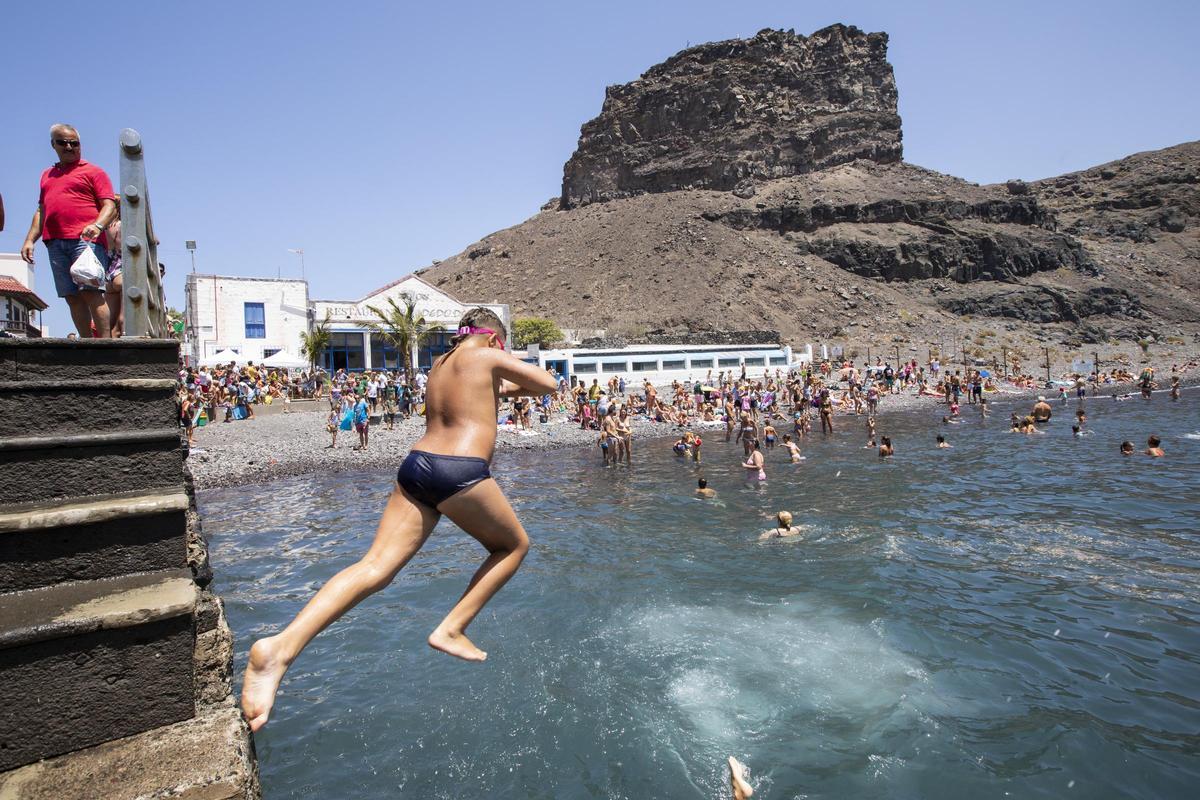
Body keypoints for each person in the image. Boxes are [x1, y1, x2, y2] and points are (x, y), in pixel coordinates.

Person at [241, 308, 558, 732]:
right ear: (496, 339)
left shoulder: (441, 367)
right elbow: (548, 384)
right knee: (513, 546)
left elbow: (488, 394)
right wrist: (509, 363)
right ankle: (451, 628)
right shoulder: (487, 355)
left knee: (374, 568)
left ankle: (279, 649)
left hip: (417, 466)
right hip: (459, 470)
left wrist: (503, 384)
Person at [21, 124, 117, 337]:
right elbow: (42, 210)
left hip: (86, 241)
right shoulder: (47, 175)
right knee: (71, 296)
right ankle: (85, 344)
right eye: (63, 142)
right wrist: (29, 240)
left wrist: (97, 225)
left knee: (91, 292)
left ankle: (105, 344)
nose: (69, 147)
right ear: (53, 144)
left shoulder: (94, 172)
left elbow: (109, 206)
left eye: (74, 143)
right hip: (55, 242)